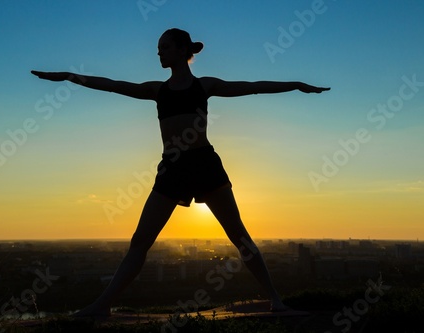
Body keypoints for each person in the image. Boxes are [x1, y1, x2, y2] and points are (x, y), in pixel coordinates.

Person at [31, 28, 329, 317]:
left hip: (205, 165)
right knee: (140, 241)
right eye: (158, 47)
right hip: (173, 169)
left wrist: (295, 84)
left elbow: (252, 86)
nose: (158, 51)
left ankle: (276, 300)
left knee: (239, 236)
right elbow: (112, 84)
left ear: (183, 50)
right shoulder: (157, 90)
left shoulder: (205, 85)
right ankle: (102, 305)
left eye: (164, 46)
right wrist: (70, 77)